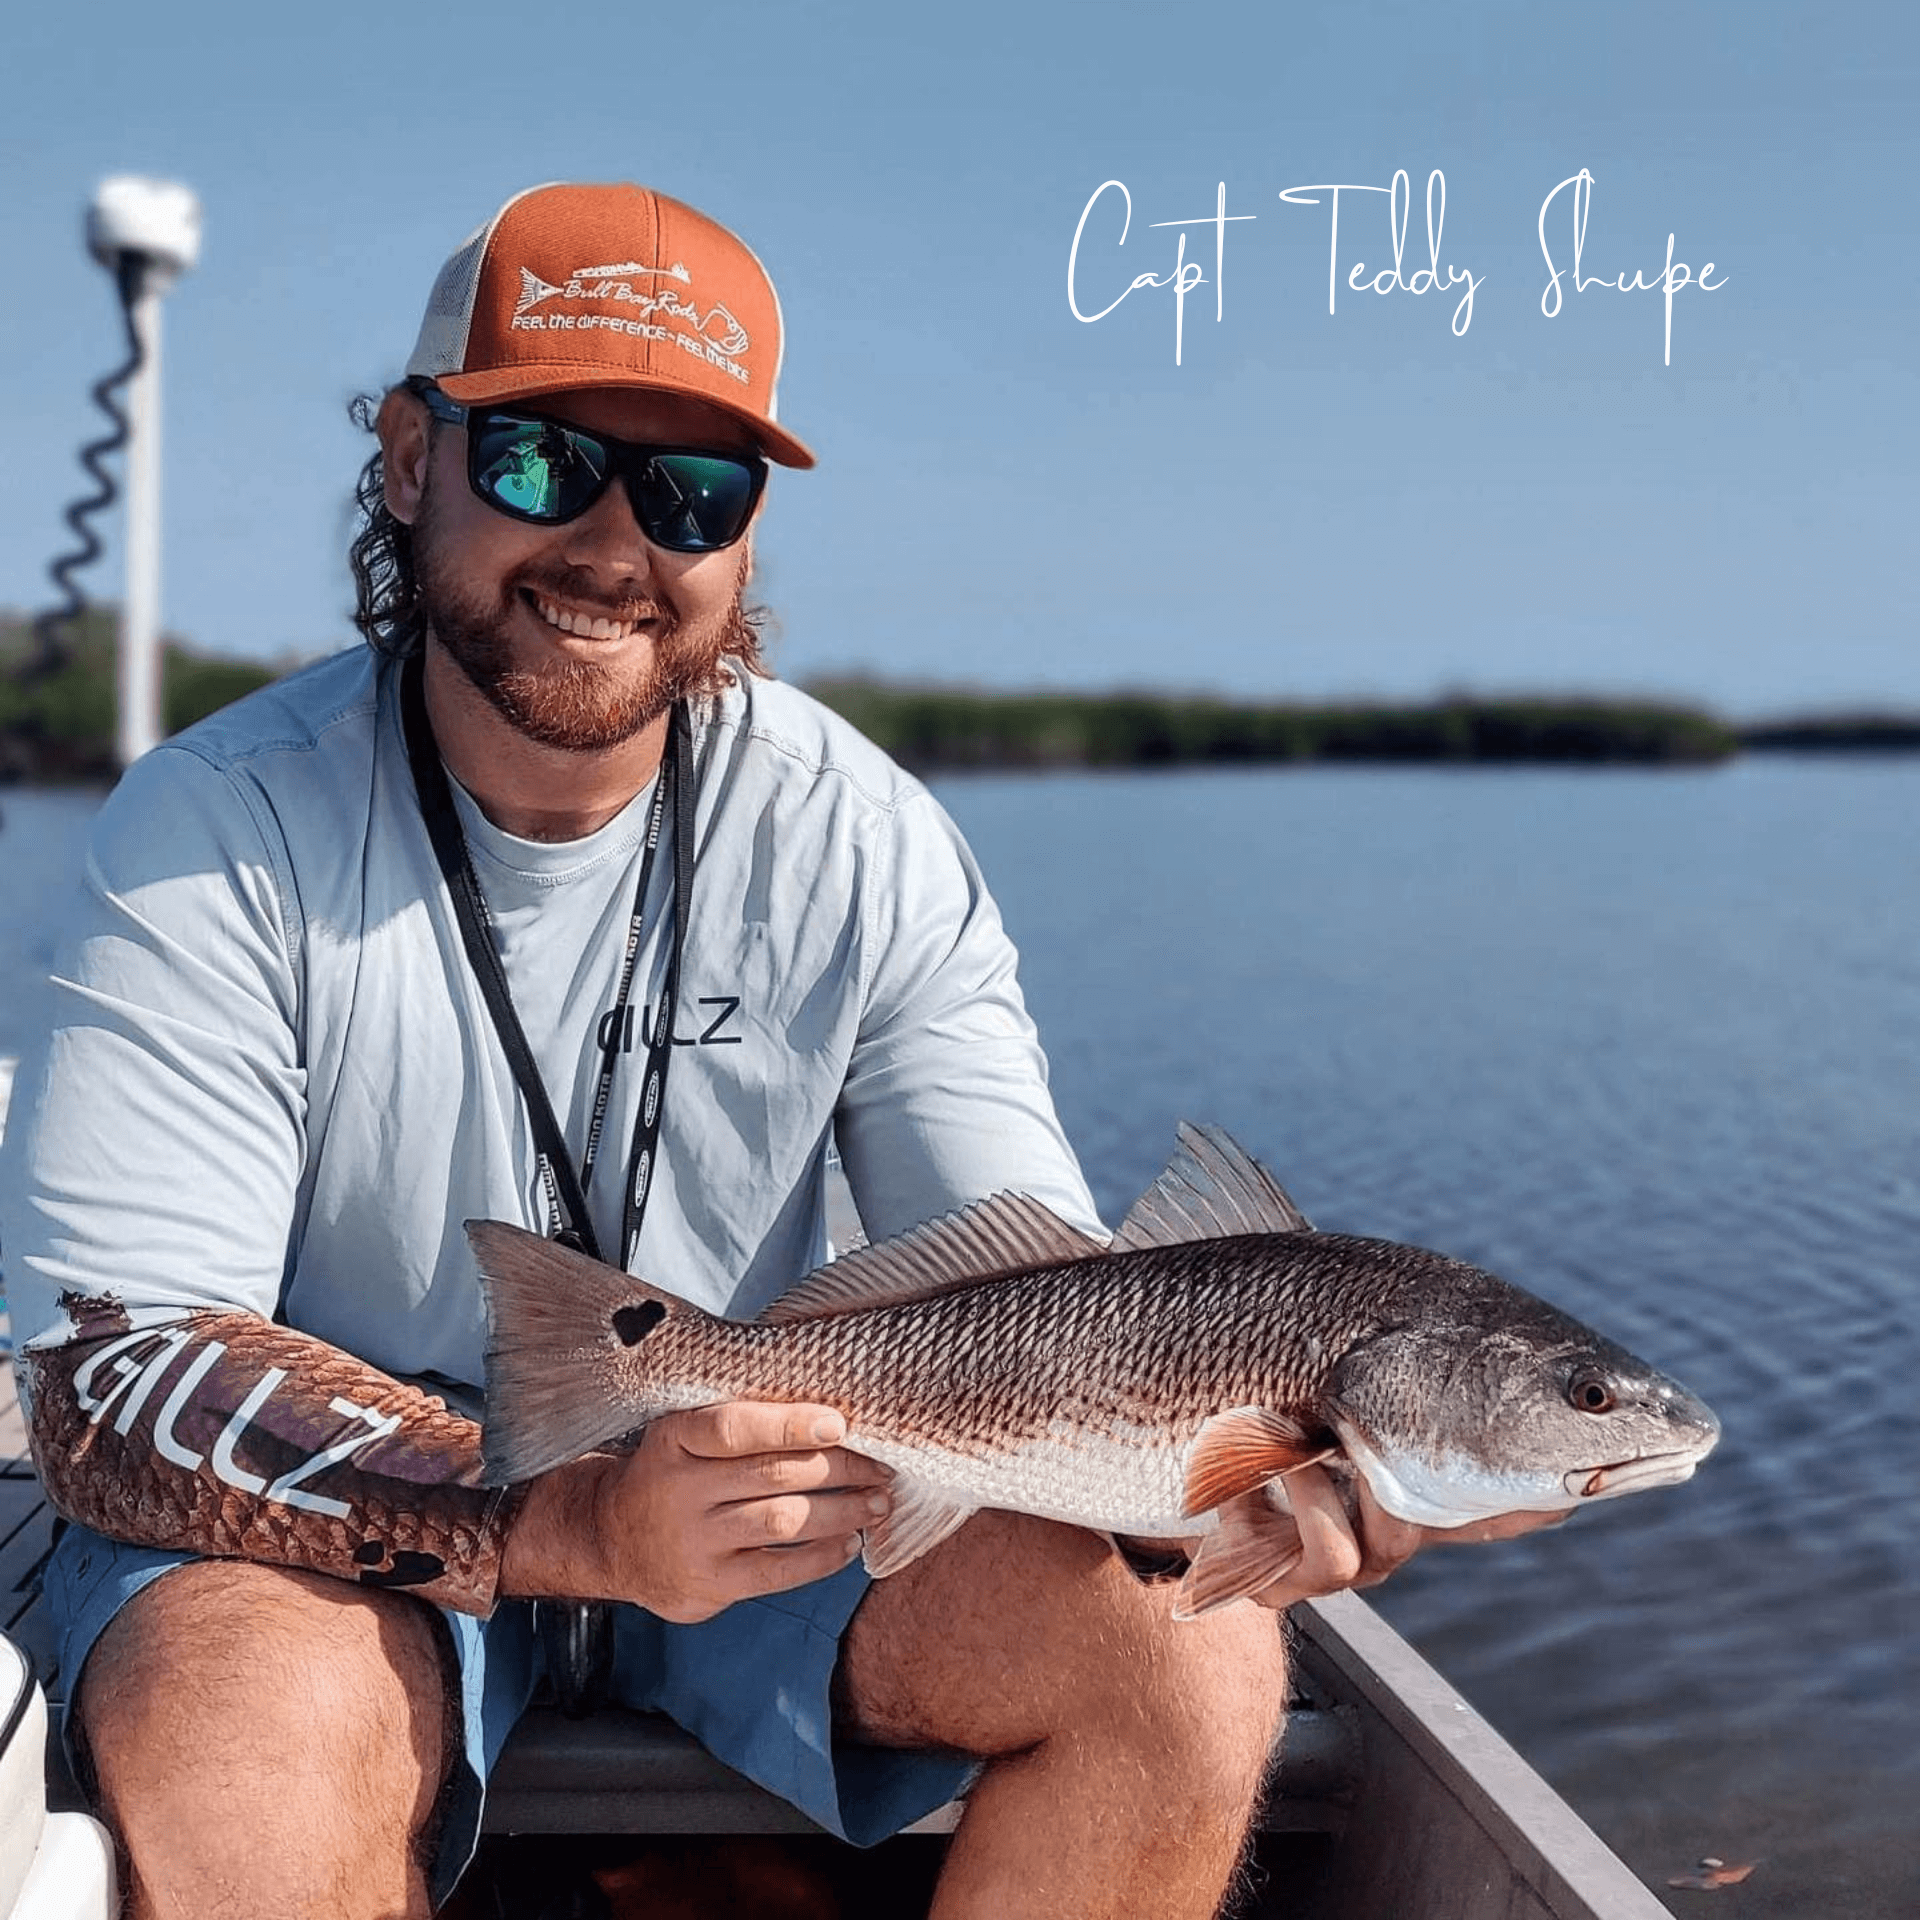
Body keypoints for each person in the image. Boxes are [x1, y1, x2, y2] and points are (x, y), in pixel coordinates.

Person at [2, 182, 1547, 1920]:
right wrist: (569, 1526)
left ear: (744, 537)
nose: (609, 546)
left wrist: (1237, 1486)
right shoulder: (209, 833)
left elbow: (1048, 1304)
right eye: (538, 460)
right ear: (404, 457)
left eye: (690, 490)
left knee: (1190, 1659)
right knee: (248, 1744)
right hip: (340, 1539)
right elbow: (103, 1379)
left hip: (780, 1494)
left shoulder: (864, 840)